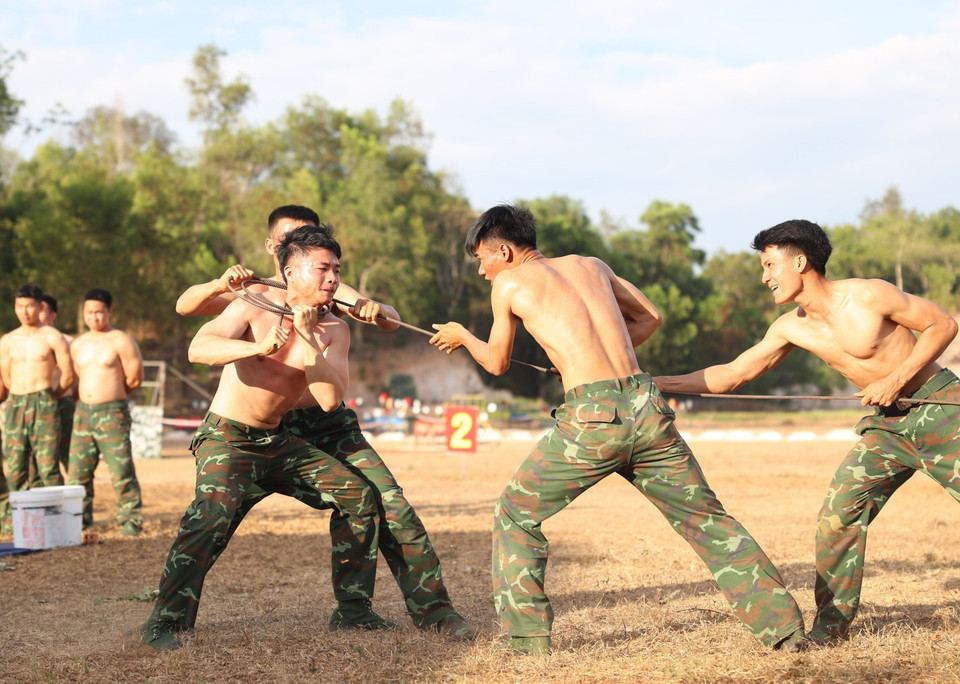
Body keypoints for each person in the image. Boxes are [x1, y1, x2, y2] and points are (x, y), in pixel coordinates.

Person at [428, 203, 807, 654]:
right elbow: (650, 318)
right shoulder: (592, 264)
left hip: (592, 418)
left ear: (504, 251)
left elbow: (496, 361)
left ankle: (527, 641)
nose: (481, 272)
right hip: (647, 407)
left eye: (481, 261)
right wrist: (594, 354)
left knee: (514, 512)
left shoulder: (510, 282)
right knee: (707, 520)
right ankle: (784, 629)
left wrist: (462, 335)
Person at [653, 218, 960, 645]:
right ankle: (830, 628)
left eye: (769, 265)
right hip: (886, 428)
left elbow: (943, 324)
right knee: (837, 518)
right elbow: (731, 375)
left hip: (939, 407)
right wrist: (646, 381)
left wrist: (895, 379)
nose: (765, 277)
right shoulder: (790, 328)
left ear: (800, 261)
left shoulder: (869, 294)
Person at [175, 205, 473, 638]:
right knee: (215, 518)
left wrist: (372, 306)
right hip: (260, 427)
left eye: (314, 239)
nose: (317, 258)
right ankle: (170, 608)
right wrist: (220, 284)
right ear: (276, 250)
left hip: (324, 422)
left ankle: (428, 611)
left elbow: (384, 317)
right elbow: (187, 309)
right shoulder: (253, 290)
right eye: (291, 241)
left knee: (386, 502)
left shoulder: (326, 283)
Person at [143, 226, 384, 651]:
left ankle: (353, 611)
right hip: (229, 439)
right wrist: (257, 348)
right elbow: (199, 347)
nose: (333, 279)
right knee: (209, 518)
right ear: (290, 272)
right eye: (323, 269)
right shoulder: (255, 303)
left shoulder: (334, 330)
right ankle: (165, 622)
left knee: (359, 497)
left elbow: (330, 399)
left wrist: (307, 338)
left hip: (278, 443)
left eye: (338, 270)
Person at [66, 288, 145, 535]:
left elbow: (135, 378)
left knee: (120, 470)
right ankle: (81, 520)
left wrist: (113, 398)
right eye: (89, 312)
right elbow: (74, 380)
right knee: (78, 472)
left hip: (112, 412)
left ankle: (130, 520)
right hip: (82, 413)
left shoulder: (121, 340)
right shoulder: (77, 344)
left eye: (99, 312)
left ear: (109, 312)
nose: (94, 317)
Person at [0, 284, 74, 499]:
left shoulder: (52, 337)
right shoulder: (7, 340)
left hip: (44, 401)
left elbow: (68, 376)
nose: (24, 311)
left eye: (29, 306)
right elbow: (5, 377)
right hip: (16, 403)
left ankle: (57, 519)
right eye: (20, 306)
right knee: (15, 467)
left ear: (40, 306)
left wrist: (50, 398)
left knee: (48, 466)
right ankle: (17, 519)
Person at [25, 294, 76, 484]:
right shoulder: (25, 341)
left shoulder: (69, 342)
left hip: (63, 404)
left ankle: (75, 504)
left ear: (53, 314)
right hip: (36, 408)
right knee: (36, 459)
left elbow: (76, 378)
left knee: (70, 458)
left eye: (42, 309)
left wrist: (54, 398)